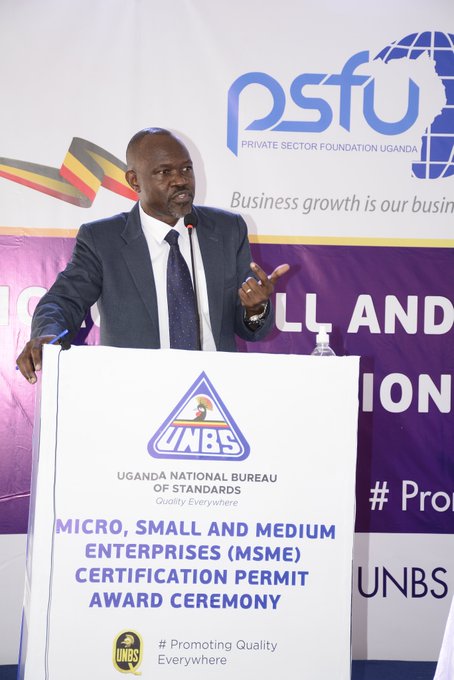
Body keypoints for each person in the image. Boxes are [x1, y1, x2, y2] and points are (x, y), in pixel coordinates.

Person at [16, 128, 289, 383]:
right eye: (164, 172)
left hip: (214, 390)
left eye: (186, 169)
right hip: (138, 391)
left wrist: (255, 309)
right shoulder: (102, 240)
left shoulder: (228, 230)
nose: (181, 180)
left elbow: (250, 328)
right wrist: (46, 335)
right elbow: (63, 300)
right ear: (134, 180)